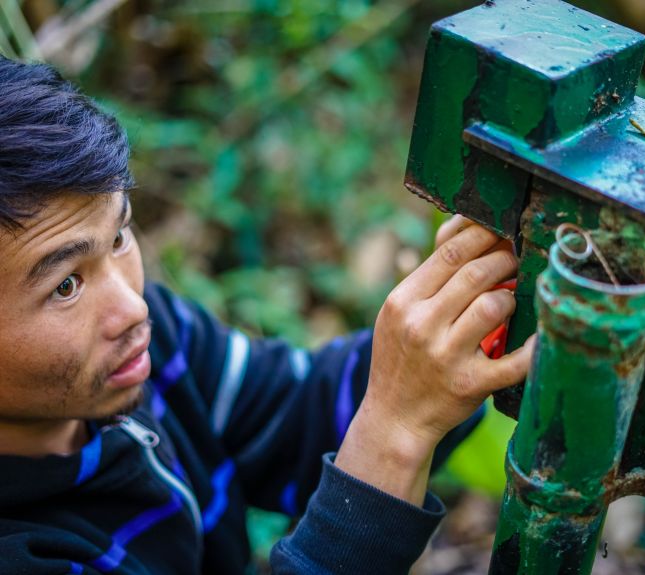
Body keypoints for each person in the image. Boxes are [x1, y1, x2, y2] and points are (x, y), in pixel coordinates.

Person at [0, 56, 534, 574]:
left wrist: (450, 322)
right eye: (66, 285)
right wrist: (395, 433)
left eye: (118, 236)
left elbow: (297, 416)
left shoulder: (143, 348)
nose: (133, 307)